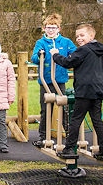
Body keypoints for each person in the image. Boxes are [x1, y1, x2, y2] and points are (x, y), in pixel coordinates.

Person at [51, 24, 103, 158]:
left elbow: (68, 62)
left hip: (84, 89)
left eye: (82, 35)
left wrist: (55, 55)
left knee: (76, 119)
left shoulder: (83, 50)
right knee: (97, 120)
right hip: (98, 90)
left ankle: (69, 148)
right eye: (77, 36)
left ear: (91, 36)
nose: (78, 38)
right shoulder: (100, 51)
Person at [30, 13, 76, 146]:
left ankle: (70, 135)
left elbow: (75, 54)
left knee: (64, 108)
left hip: (60, 80)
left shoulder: (66, 42)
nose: (51, 30)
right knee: (45, 109)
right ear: (44, 28)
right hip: (45, 82)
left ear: (59, 29)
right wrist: (39, 55)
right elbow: (34, 58)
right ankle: (43, 136)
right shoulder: (41, 42)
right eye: (48, 27)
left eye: (53, 27)